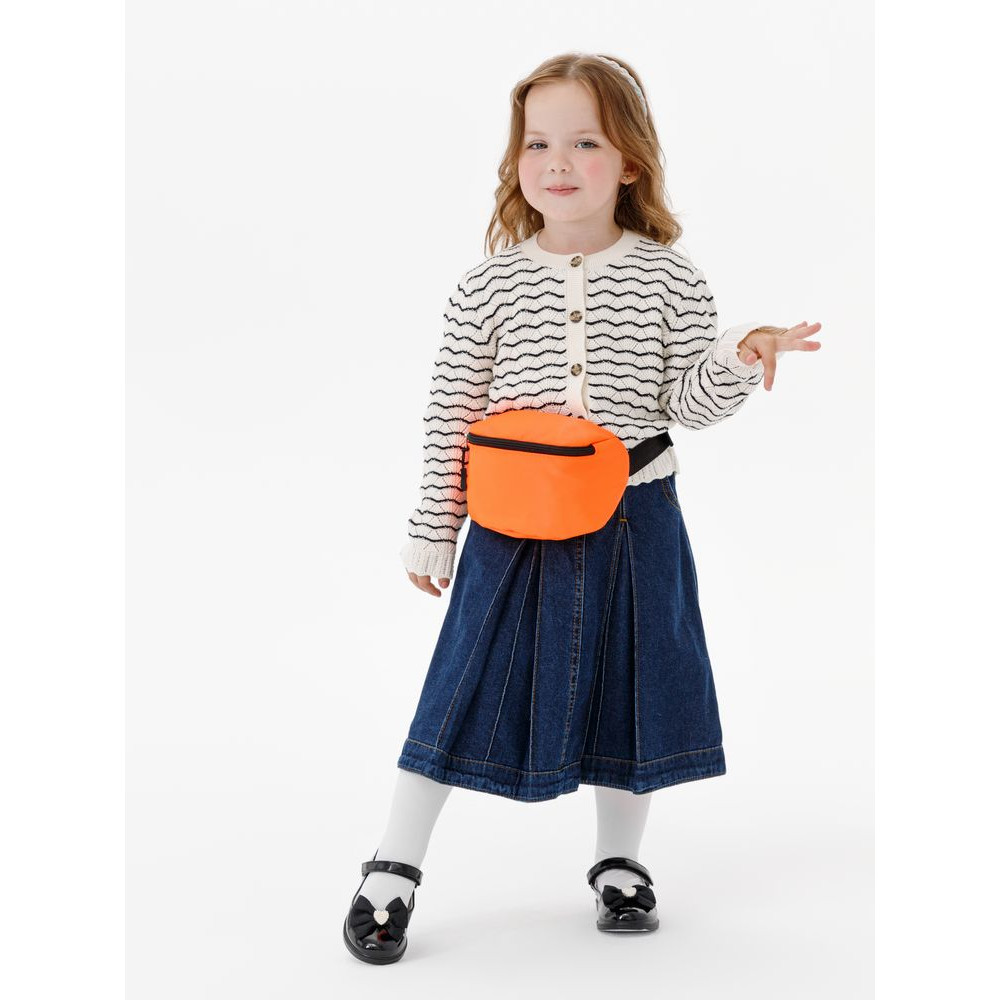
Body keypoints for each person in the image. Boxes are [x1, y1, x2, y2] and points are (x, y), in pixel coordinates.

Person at [343, 51, 822, 964]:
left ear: (630, 161)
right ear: (516, 158)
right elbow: (453, 413)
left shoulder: (672, 279)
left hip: (636, 520)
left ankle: (619, 862)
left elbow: (687, 406)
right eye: (537, 143)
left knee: (633, 687)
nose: (557, 161)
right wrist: (435, 528)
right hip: (514, 529)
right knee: (461, 688)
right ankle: (392, 867)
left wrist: (737, 355)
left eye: (586, 142)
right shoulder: (487, 285)